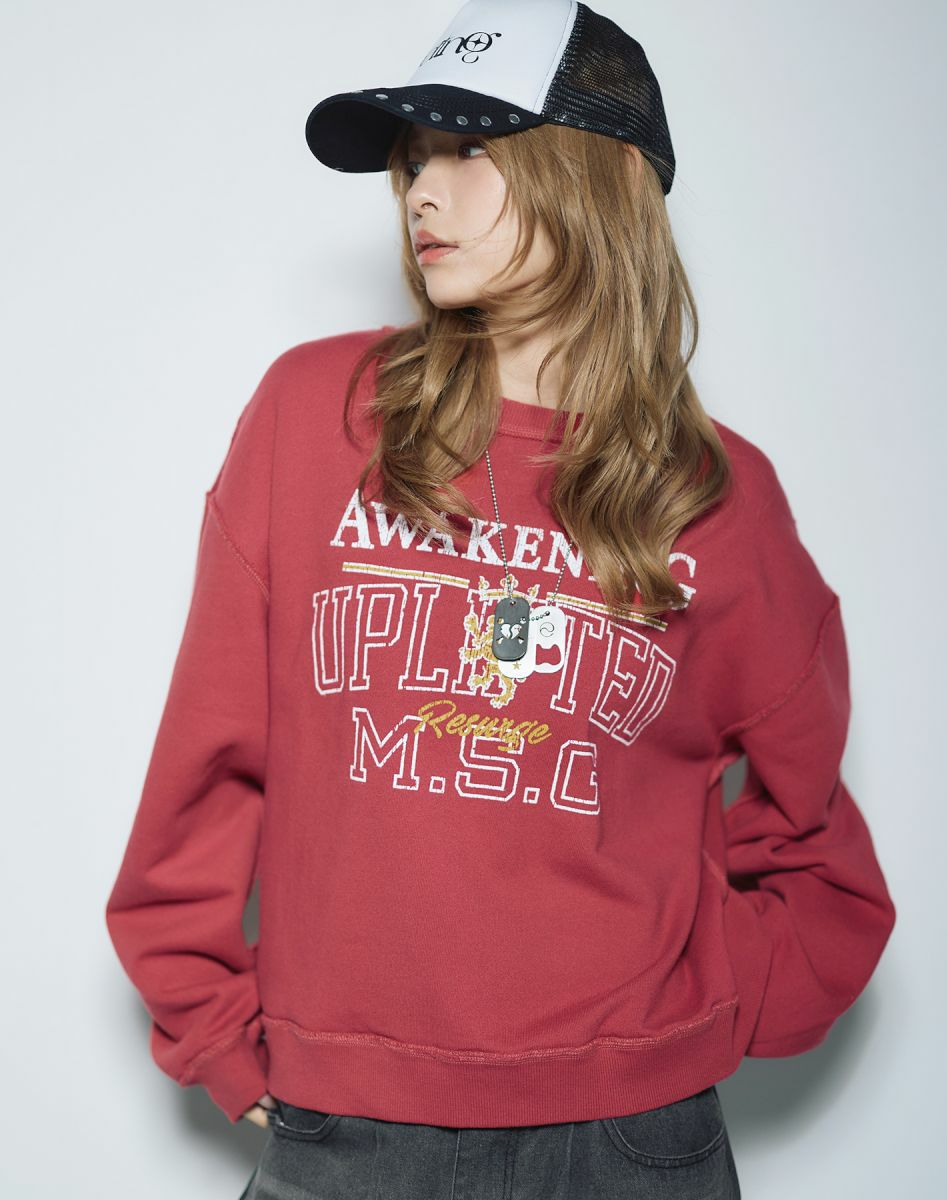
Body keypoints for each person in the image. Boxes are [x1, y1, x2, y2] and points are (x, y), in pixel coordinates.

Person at [105, 2, 897, 1197]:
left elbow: (813, 835)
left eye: (470, 147)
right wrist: (209, 1019)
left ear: (595, 173)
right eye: (412, 157)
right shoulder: (316, 417)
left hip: (629, 1144)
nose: (423, 191)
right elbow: (212, 753)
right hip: (348, 1131)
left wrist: (688, 1012)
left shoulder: (714, 496)